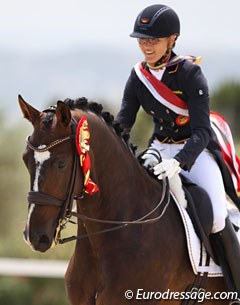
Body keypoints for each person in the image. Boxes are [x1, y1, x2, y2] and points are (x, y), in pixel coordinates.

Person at [116, 4, 240, 296]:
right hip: (159, 150)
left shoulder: (189, 73)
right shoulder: (138, 76)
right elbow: (122, 123)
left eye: (153, 40)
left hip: (194, 153)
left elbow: (202, 131)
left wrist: (181, 162)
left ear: (172, 39)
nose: (146, 47)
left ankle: (234, 290)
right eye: (142, 40)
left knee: (217, 218)